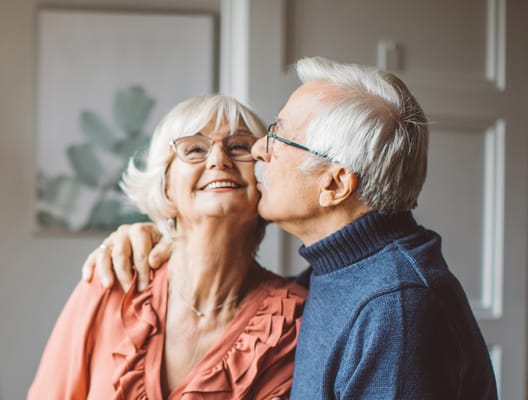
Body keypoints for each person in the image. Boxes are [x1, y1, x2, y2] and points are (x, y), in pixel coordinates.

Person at [83, 57, 498, 399]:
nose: (260, 149)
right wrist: (157, 234)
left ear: (334, 184)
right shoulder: (339, 273)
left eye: (278, 136)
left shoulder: (396, 308)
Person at [29, 95, 306, 399]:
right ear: (166, 187)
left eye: (239, 146)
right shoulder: (112, 280)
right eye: (194, 149)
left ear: (263, 179)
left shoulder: (291, 323)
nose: (218, 160)